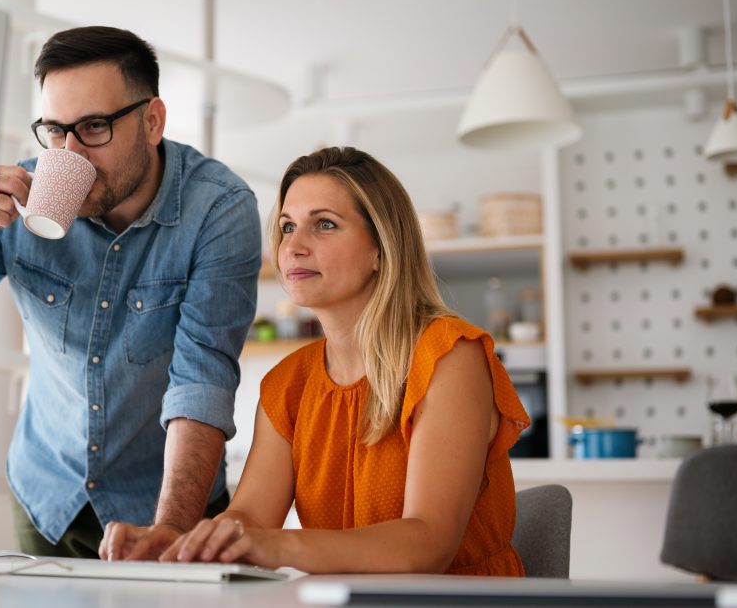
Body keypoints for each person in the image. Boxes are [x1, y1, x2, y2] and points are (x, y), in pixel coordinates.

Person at [133, 146, 530, 574]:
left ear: (381, 248)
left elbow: (428, 543)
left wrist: (278, 546)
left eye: (324, 224)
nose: (293, 246)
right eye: (287, 226)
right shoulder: (288, 384)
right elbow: (250, 518)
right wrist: (184, 542)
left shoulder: (449, 356)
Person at [0, 26, 261, 560]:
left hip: (168, 502)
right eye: (55, 130)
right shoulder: (18, 196)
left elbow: (202, 378)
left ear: (152, 121)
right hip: (48, 495)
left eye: (94, 127)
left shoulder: (218, 209)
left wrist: (171, 529)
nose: (70, 153)